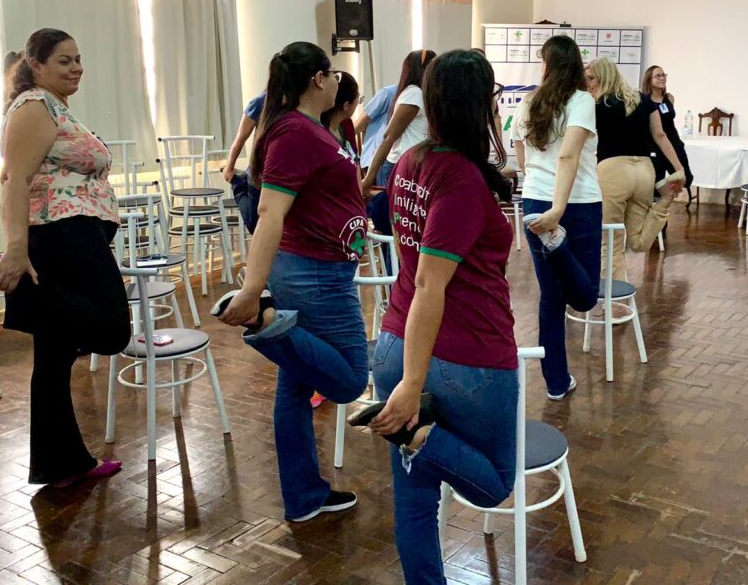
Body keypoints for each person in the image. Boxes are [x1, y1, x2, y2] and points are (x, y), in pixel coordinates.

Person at [349, 50, 518, 584]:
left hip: (398, 342)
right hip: (463, 356)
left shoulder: (411, 163)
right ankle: (423, 438)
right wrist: (413, 385)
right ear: (478, 105)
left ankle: (419, 441)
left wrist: (405, 377)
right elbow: (428, 281)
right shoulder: (461, 179)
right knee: (494, 484)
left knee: (415, 498)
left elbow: (413, 268)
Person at [215, 41, 369, 523]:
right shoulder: (293, 132)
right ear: (317, 79)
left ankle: (304, 497)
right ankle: (266, 322)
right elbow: (269, 212)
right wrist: (252, 289)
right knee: (350, 380)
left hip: (320, 267)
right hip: (313, 273)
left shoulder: (306, 126)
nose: (338, 80)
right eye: (333, 72)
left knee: (296, 387)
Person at [0, 29, 128, 486]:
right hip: (61, 234)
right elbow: (14, 179)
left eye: (78, 59)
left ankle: (61, 464)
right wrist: (16, 247)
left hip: (71, 234)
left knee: (53, 357)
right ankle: (9, 281)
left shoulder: (53, 106)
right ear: (36, 65)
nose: (76, 68)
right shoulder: (35, 106)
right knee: (113, 331)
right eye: (64, 61)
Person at [510, 35, 602, 400]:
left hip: (535, 201)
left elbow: (520, 155)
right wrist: (558, 210)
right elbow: (568, 155)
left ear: (547, 65)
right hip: (577, 204)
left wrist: (542, 193)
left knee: (551, 297)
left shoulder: (528, 103)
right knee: (585, 297)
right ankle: (559, 245)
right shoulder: (581, 100)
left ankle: (556, 382)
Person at [586, 58, 685, 282]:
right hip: (644, 172)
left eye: (591, 78)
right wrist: (679, 169)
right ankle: (665, 200)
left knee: (611, 242)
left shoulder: (596, 104)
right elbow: (660, 135)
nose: (588, 84)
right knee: (638, 242)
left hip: (613, 171)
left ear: (603, 77)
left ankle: (613, 296)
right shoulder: (643, 100)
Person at [360, 50, 437, 197]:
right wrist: (369, 178)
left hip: (409, 165)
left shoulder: (421, 94)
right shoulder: (414, 94)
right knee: (396, 210)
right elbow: (388, 137)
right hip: (400, 166)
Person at [642, 65, 694, 191]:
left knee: (685, 178)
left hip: (674, 142)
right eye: (657, 76)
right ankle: (661, 200)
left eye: (663, 75)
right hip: (655, 144)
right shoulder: (645, 101)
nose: (662, 78)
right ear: (649, 80)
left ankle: (668, 198)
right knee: (656, 182)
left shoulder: (669, 98)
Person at [223, 90, 266, 232]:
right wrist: (229, 168)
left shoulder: (297, 102)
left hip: (278, 172)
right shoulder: (259, 102)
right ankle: (239, 183)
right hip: (258, 172)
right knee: (254, 225)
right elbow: (240, 138)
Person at [354, 81, 398, 180]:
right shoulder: (387, 93)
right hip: (377, 162)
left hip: (398, 161)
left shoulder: (418, 96)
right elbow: (359, 124)